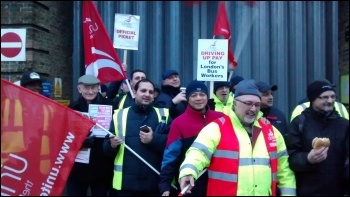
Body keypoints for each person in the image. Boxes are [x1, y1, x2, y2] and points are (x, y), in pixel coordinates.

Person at [178, 79, 296, 196]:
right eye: (248, 103)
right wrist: (188, 171)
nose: (253, 109)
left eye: (257, 105)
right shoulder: (217, 128)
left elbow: (284, 172)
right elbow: (197, 153)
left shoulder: (271, 132)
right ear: (235, 103)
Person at [103, 79, 172, 196]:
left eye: (151, 92)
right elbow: (106, 149)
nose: (147, 94)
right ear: (134, 92)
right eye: (143, 91)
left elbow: (173, 144)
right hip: (126, 186)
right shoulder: (119, 115)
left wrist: (154, 139)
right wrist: (112, 145)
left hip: (155, 185)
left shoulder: (164, 114)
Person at [159, 80, 225, 196]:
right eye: (193, 95)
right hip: (192, 184)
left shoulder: (221, 118)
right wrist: (165, 185)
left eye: (202, 94)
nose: (198, 98)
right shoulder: (178, 123)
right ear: (187, 99)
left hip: (220, 181)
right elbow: (170, 157)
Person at [287, 80, 349, 196]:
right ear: (313, 99)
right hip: (308, 191)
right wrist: (307, 159)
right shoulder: (300, 123)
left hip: (338, 191)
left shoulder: (344, 125)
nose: (330, 101)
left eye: (333, 96)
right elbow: (290, 157)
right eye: (324, 97)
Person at [66, 74, 118, 196]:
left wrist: (111, 143)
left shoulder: (110, 106)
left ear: (98, 88)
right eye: (86, 88)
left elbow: (116, 130)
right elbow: (66, 137)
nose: (90, 91)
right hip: (77, 168)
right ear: (79, 89)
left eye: (93, 88)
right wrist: (80, 141)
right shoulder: (72, 108)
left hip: (101, 166)